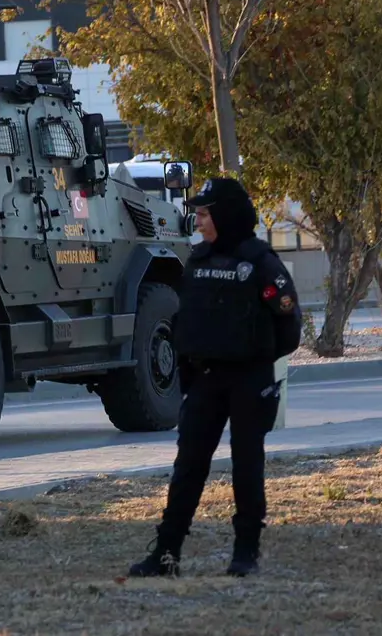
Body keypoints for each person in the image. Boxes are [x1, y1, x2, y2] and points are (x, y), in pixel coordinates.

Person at [129, 176, 300, 578]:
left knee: (246, 465)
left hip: (248, 380)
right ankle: (166, 556)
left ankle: (245, 555)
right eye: (199, 214)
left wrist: (256, 362)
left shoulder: (260, 263)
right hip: (206, 381)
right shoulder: (198, 261)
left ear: (225, 215)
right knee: (188, 467)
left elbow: (288, 323)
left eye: (205, 214)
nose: (199, 221)